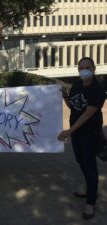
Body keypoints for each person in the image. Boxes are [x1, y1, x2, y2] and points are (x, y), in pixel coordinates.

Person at [58, 57, 106, 220]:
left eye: (87, 67)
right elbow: (75, 106)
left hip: (90, 134)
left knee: (90, 166)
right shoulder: (77, 85)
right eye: (81, 68)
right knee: (81, 162)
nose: (84, 70)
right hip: (77, 133)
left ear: (94, 69)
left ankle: (91, 203)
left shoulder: (98, 90)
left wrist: (68, 131)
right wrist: (65, 97)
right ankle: (88, 189)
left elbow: (87, 114)